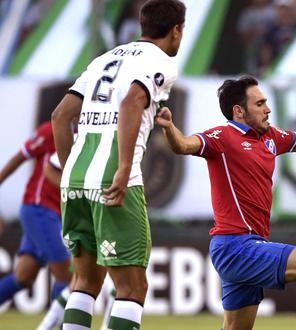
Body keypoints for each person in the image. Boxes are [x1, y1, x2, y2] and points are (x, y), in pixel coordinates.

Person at [155, 75, 296, 330]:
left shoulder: (270, 137)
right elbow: (184, 145)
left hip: (247, 245)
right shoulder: (222, 136)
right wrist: (168, 128)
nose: (268, 109)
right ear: (239, 111)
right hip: (235, 246)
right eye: (260, 104)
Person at [50, 0, 186, 329]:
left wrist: (72, 175)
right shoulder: (161, 61)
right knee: (132, 287)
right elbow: (131, 102)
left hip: (76, 179)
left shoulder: (104, 58)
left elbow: (60, 117)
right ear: (176, 31)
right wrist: (123, 168)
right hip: (113, 177)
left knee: (85, 282)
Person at [36, 151, 116, 330]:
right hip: (98, 216)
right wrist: (74, 189)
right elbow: (50, 167)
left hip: (103, 212)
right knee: (124, 282)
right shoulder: (83, 137)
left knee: (81, 283)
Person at [0, 121, 72, 314]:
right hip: (39, 209)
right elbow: (20, 157)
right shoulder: (52, 130)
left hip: (54, 214)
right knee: (67, 277)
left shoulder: (91, 132)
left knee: (24, 276)